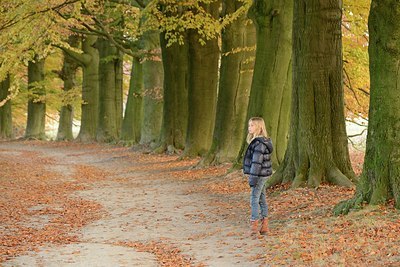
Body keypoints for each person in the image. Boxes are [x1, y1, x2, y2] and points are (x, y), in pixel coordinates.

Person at [243, 117, 273, 236]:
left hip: (259, 175)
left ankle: (254, 227)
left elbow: (256, 163)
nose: (249, 128)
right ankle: (265, 227)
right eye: (249, 125)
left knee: (254, 199)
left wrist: (252, 178)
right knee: (262, 198)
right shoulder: (260, 142)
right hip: (263, 174)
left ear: (259, 127)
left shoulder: (259, 144)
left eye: (252, 125)